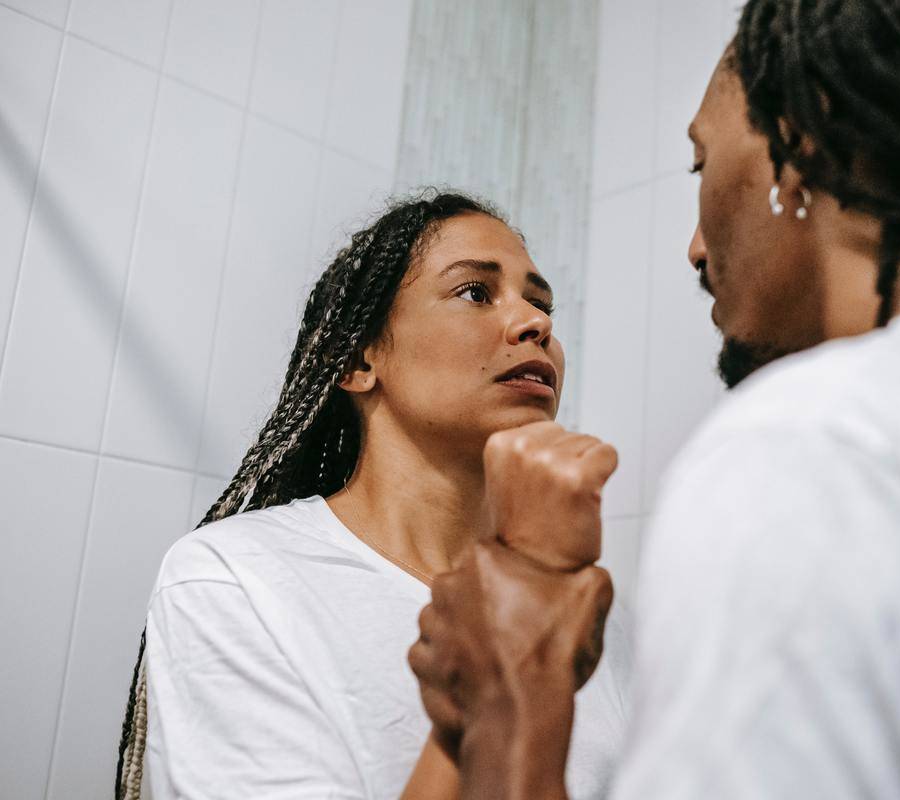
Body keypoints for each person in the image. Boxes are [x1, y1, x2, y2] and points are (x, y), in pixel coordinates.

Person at [408, 1, 900, 798]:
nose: (693, 245)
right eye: (475, 291)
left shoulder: (817, 443)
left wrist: (513, 693)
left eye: (700, 164)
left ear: (802, 144)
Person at [113, 192, 630, 800]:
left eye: (541, 304)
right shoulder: (235, 582)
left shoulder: (596, 619)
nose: (536, 323)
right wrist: (498, 676)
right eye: (475, 292)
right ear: (359, 359)